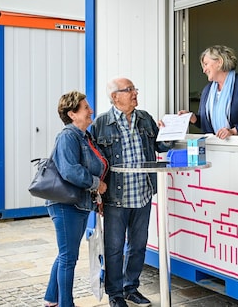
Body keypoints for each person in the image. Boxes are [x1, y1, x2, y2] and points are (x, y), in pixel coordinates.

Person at [90, 77, 173, 307]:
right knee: (114, 248)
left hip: (143, 193)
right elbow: (94, 159)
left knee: (138, 245)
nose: (135, 93)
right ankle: (115, 294)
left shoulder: (145, 118)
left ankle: (131, 288)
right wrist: (96, 187)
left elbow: (160, 145)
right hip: (116, 197)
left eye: (135, 89)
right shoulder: (101, 123)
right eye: (129, 90)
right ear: (115, 97)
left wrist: (170, 132)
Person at [43, 91, 109, 307]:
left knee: (65, 253)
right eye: (85, 108)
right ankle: (66, 304)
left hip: (78, 204)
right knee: (68, 258)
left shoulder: (84, 136)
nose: (91, 111)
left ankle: (51, 299)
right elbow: (70, 170)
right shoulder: (68, 136)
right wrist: (96, 184)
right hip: (65, 205)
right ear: (72, 114)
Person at [179, 45, 238, 139]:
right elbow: (204, 123)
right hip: (214, 147)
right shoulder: (207, 90)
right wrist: (192, 118)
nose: (204, 70)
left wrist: (234, 131)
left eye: (206, 64)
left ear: (219, 62)